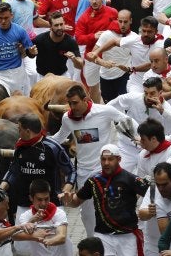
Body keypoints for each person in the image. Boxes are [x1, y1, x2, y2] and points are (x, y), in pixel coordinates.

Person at [51, 84, 129, 237]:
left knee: (110, 205)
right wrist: (39, 143)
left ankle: (113, 236)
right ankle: (92, 241)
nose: (72, 107)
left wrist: (139, 139)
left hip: (105, 169)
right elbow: (59, 137)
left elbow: (127, 122)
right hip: (83, 171)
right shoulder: (68, 118)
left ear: (85, 99)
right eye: (70, 103)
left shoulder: (104, 111)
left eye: (75, 102)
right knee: (87, 212)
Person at [0, 113, 76, 254]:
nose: (18, 132)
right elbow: (13, 170)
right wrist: (1, 188)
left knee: (55, 241)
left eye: (19, 129)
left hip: (50, 202)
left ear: (28, 131)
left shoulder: (52, 147)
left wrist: (66, 190)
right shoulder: (20, 147)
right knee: (21, 247)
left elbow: (71, 171)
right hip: (24, 203)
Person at [68, 144, 149, 256]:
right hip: (103, 236)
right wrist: (68, 200)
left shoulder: (131, 179)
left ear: (119, 159)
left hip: (127, 236)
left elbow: (152, 195)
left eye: (110, 159)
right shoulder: (93, 181)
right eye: (103, 159)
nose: (106, 163)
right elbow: (76, 202)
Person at [88, 16, 164, 93]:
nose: (146, 34)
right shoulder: (135, 40)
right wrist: (96, 52)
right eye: (144, 31)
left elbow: (151, 64)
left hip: (155, 81)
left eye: (149, 32)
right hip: (136, 83)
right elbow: (114, 41)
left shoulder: (160, 44)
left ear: (156, 31)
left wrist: (131, 69)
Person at [75, 0, 118, 103]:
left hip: (110, 54)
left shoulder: (113, 12)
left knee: (110, 84)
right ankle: (97, 109)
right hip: (92, 57)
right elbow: (78, 38)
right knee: (93, 86)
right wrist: (93, 36)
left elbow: (120, 31)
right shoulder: (83, 17)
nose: (94, 1)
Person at [139, 162, 171, 255]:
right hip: (169, 248)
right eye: (158, 185)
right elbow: (166, 234)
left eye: (164, 184)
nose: (161, 189)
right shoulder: (159, 204)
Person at [89, 9, 135, 103]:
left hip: (124, 76)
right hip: (106, 76)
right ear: (117, 19)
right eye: (120, 21)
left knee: (126, 103)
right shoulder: (107, 35)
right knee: (109, 105)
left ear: (131, 21)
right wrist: (103, 63)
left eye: (125, 22)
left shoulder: (134, 37)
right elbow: (91, 55)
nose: (122, 25)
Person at [19, 179, 74, 255]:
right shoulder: (25, 216)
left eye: (46, 199)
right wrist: (31, 221)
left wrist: (47, 241)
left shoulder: (59, 213)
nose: (43, 203)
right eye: (39, 199)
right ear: (31, 198)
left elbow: (62, 237)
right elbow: (17, 235)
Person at [33, 11, 83, 78]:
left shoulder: (70, 41)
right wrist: (32, 53)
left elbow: (80, 66)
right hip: (43, 77)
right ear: (50, 26)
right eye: (56, 25)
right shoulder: (39, 39)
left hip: (62, 76)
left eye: (61, 24)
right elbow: (29, 55)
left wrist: (74, 59)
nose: (59, 28)